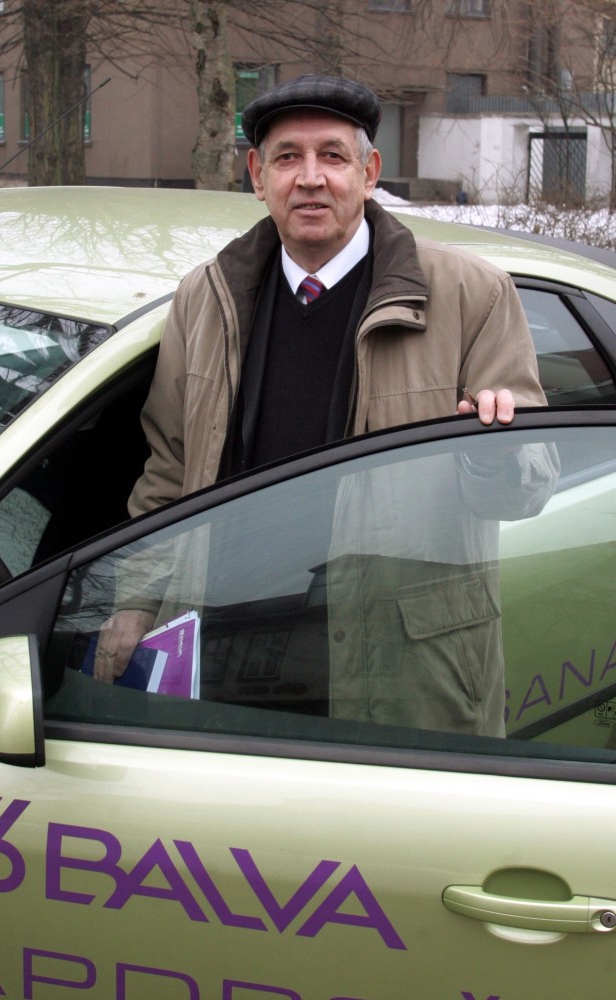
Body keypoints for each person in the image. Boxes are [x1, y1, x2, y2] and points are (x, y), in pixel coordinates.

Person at [93, 75, 556, 733]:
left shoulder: (469, 293)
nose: (310, 178)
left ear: (368, 174)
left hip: (397, 667)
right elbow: (168, 471)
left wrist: (491, 453)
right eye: (288, 157)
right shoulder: (207, 298)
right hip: (229, 651)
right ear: (258, 177)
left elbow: (527, 484)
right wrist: (138, 600)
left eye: (332, 156)